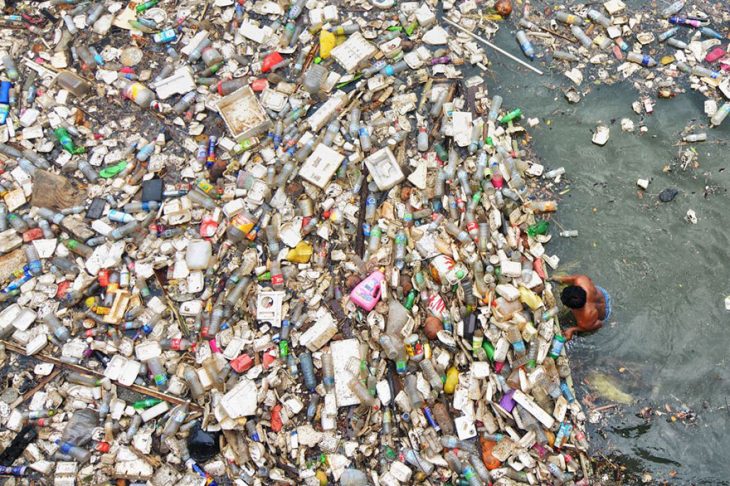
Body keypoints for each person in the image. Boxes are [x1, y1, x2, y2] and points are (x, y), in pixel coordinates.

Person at [553, 274, 612, 340]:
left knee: (583, 332)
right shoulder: (581, 281)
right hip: (602, 294)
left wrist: (572, 329)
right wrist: (560, 278)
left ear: (573, 308)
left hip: (604, 312)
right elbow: (572, 279)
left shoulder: (585, 319)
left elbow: (599, 324)